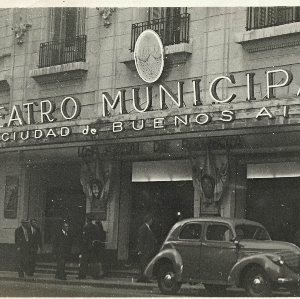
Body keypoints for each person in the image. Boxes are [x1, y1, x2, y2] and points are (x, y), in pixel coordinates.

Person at [78, 215, 99, 279]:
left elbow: (85, 238)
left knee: (84, 262)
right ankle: (95, 275)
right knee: (93, 262)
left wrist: (82, 248)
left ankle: (82, 275)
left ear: (87, 220)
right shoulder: (95, 227)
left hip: (86, 247)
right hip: (93, 246)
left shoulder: (86, 227)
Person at [137, 214, 156, 283]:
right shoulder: (143, 228)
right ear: (149, 220)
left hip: (147, 249)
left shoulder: (148, 228)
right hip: (145, 249)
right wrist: (140, 249)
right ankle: (144, 278)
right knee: (144, 263)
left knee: (145, 263)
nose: (152, 221)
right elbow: (141, 239)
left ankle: (143, 277)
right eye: (151, 220)